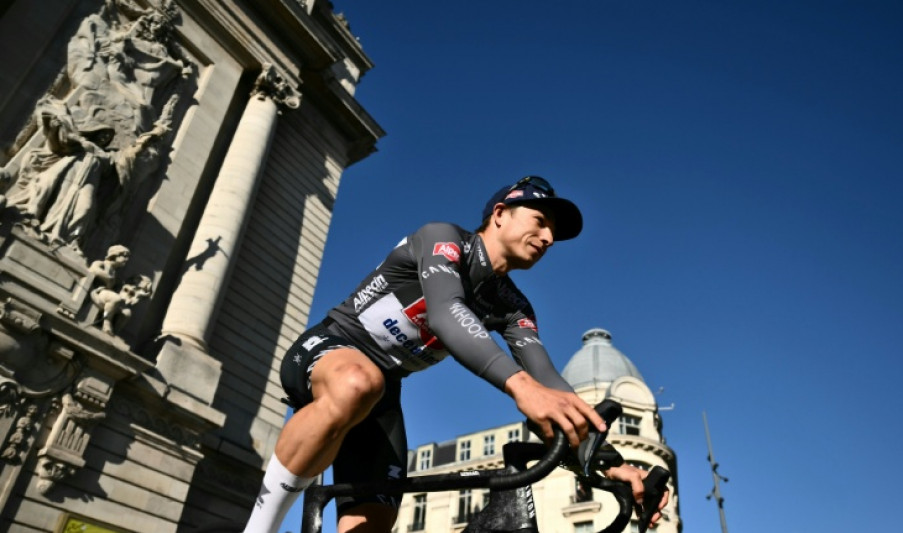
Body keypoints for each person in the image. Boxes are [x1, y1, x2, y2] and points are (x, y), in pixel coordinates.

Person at [243, 176, 668, 532]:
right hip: (331, 348)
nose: (549, 238)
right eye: (540, 222)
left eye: (554, 234)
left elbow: (549, 383)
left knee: (373, 523)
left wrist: (614, 464)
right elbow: (447, 311)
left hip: (382, 395)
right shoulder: (443, 239)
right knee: (359, 381)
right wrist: (520, 386)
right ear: (500, 214)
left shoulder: (513, 306)